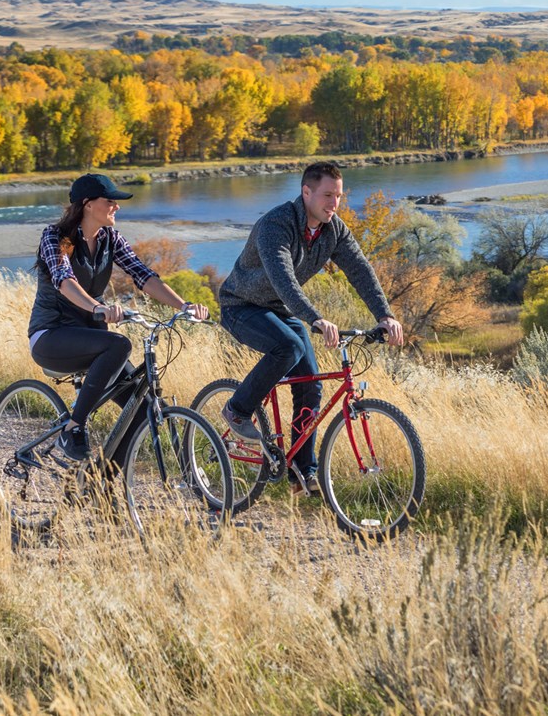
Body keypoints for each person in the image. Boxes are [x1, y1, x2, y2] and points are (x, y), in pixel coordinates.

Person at [217, 161, 404, 495]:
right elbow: (282, 277)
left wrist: (384, 315)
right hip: (240, 305)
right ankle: (237, 408)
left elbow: (359, 270)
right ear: (306, 192)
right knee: (288, 347)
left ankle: (303, 473)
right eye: (328, 195)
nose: (335, 203)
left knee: (311, 385)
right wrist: (315, 317)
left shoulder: (334, 230)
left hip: (279, 309)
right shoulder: (277, 224)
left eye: (339, 196)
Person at [28, 173, 210, 460]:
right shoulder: (55, 237)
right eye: (110, 201)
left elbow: (143, 275)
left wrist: (184, 306)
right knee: (119, 344)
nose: (117, 207)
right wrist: (98, 308)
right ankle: (73, 429)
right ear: (88, 204)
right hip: (52, 335)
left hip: (92, 339)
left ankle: (103, 485)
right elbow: (64, 280)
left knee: (140, 411)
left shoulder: (110, 238)